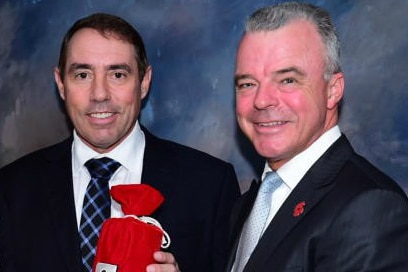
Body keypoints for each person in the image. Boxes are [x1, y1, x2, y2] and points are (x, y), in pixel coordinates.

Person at [0, 13, 241, 272]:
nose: (100, 94)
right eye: (83, 75)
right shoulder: (11, 190)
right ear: (61, 84)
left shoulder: (210, 185)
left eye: (117, 74)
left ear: (144, 82)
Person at [226, 2, 408, 272]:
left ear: (333, 90)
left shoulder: (371, 208)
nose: (262, 100)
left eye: (287, 80)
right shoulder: (247, 205)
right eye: (247, 84)